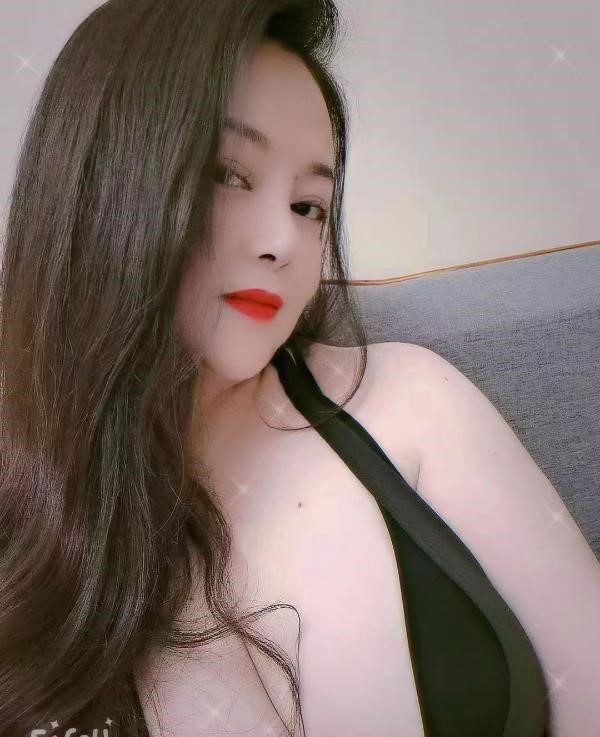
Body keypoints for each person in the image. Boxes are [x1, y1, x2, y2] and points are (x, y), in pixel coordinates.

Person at [2, 1, 600, 736]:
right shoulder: (25, 514)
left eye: (310, 205)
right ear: (101, 183)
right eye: (228, 173)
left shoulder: (411, 402)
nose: (283, 241)